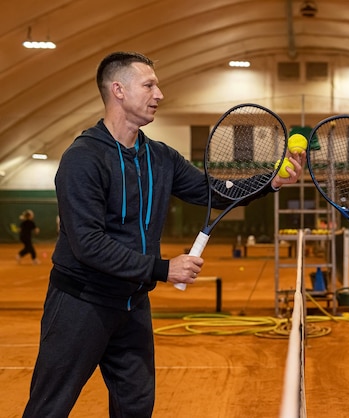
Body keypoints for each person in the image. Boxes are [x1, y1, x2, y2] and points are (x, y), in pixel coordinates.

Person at [22, 51, 304, 418]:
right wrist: (162, 269)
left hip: (132, 305)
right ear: (118, 90)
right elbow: (88, 245)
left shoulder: (160, 157)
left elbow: (215, 192)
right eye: (150, 85)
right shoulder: (83, 159)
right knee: (49, 408)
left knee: (137, 407)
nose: (160, 93)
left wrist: (271, 181)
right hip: (81, 303)